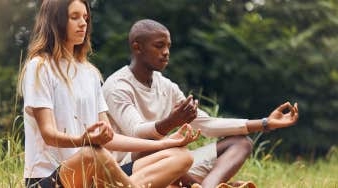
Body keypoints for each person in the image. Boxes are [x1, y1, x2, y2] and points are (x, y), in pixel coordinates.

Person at [18, 3, 201, 188]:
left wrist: (166, 143)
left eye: (85, 18)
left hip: (95, 177)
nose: (83, 23)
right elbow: (49, 135)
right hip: (50, 179)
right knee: (92, 154)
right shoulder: (40, 67)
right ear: (55, 21)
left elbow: (109, 137)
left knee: (181, 155)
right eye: (74, 17)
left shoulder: (90, 73)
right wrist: (84, 140)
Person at [102, 19, 299, 188]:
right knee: (156, 146)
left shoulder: (165, 86)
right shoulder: (117, 86)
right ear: (137, 47)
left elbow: (206, 124)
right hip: (130, 170)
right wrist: (170, 123)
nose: (166, 52)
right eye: (159, 46)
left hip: (172, 160)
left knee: (241, 143)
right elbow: (136, 133)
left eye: (168, 46)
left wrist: (265, 123)